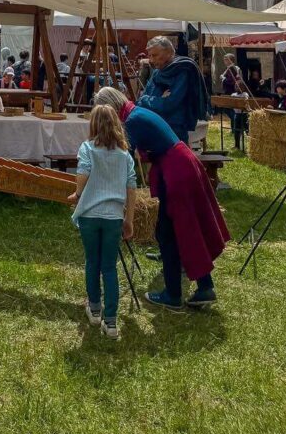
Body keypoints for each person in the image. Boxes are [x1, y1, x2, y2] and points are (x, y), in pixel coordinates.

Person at [95, 86, 229, 311]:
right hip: (180, 165)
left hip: (176, 171)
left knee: (170, 233)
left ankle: (173, 295)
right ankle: (204, 286)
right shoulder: (136, 113)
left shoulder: (132, 120)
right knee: (181, 229)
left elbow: (124, 159)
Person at [69, 104, 136, 339]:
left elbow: (83, 173)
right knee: (109, 267)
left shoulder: (87, 148)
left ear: (94, 125)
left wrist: (77, 195)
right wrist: (129, 220)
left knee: (92, 262)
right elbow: (131, 188)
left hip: (89, 213)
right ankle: (111, 322)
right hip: (113, 216)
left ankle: (95, 308)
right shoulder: (124, 155)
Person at [139, 35, 209, 144]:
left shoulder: (182, 70)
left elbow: (168, 104)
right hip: (155, 127)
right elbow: (140, 100)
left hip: (175, 130)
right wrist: (151, 99)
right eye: (150, 55)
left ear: (169, 52)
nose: (151, 60)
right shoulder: (158, 72)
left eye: (155, 55)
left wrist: (146, 100)